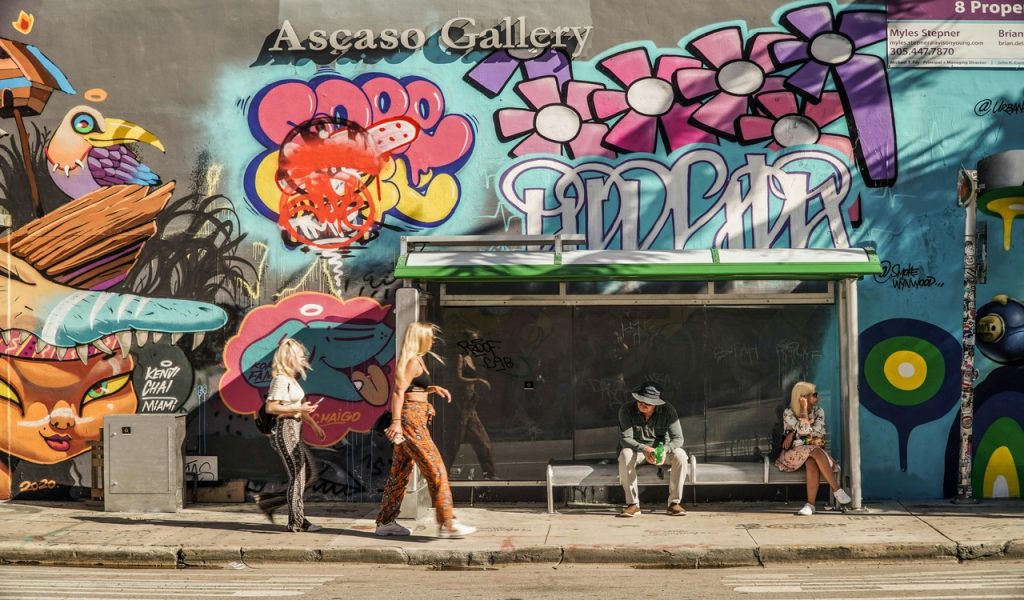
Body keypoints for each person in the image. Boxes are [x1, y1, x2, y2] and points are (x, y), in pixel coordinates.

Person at [375, 322, 476, 538]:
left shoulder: (418, 360)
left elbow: (412, 388)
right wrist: (396, 422)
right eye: (430, 336)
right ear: (420, 338)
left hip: (415, 417)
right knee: (436, 468)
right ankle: (448, 522)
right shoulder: (412, 361)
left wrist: (430, 388)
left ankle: (385, 522)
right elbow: (398, 392)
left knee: (399, 473)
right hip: (411, 421)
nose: (433, 340)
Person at [256, 338, 326, 532]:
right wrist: (298, 407)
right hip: (286, 429)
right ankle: (297, 521)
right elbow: (271, 407)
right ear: (290, 357)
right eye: (300, 355)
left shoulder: (290, 379)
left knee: (308, 474)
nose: (304, 358)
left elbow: (298, 407)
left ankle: (269, 503)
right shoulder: (280, 379)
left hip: (295, 428)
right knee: (299, 476)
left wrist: (313, 424)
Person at [775, 381, 852, 515]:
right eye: (814, 394)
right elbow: (806, 432)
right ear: (803, 397)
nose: (818, 397)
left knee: (812, 460)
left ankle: (810, 505)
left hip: (813, 452)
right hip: (794, 454)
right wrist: (803, 412)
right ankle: (836, 489)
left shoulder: (818, 411)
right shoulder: (789, 412)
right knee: (814, 451)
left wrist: (794, 432)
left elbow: (817, 432)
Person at [617, 381, 688, 517]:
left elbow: (678, 439)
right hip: (637, 451)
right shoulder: (626, 410)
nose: (642, 404)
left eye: (647, 403)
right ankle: (633, 504)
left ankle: (674, 503)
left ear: (656, 403)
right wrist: (645, 449)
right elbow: (625, 439)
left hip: (661, 451)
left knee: (680, 454)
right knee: (625, 453)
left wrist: (663, 451)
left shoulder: (668, 410)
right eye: (639, 401)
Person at [444, 330, 498, 479]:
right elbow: (457, 378)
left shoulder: (471, 357)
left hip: (470, 402)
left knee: (482, 440)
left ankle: (490, 474)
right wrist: (477, 381)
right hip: (460, 403)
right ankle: (442, 473)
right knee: (454, 441)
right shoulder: (459, 357)